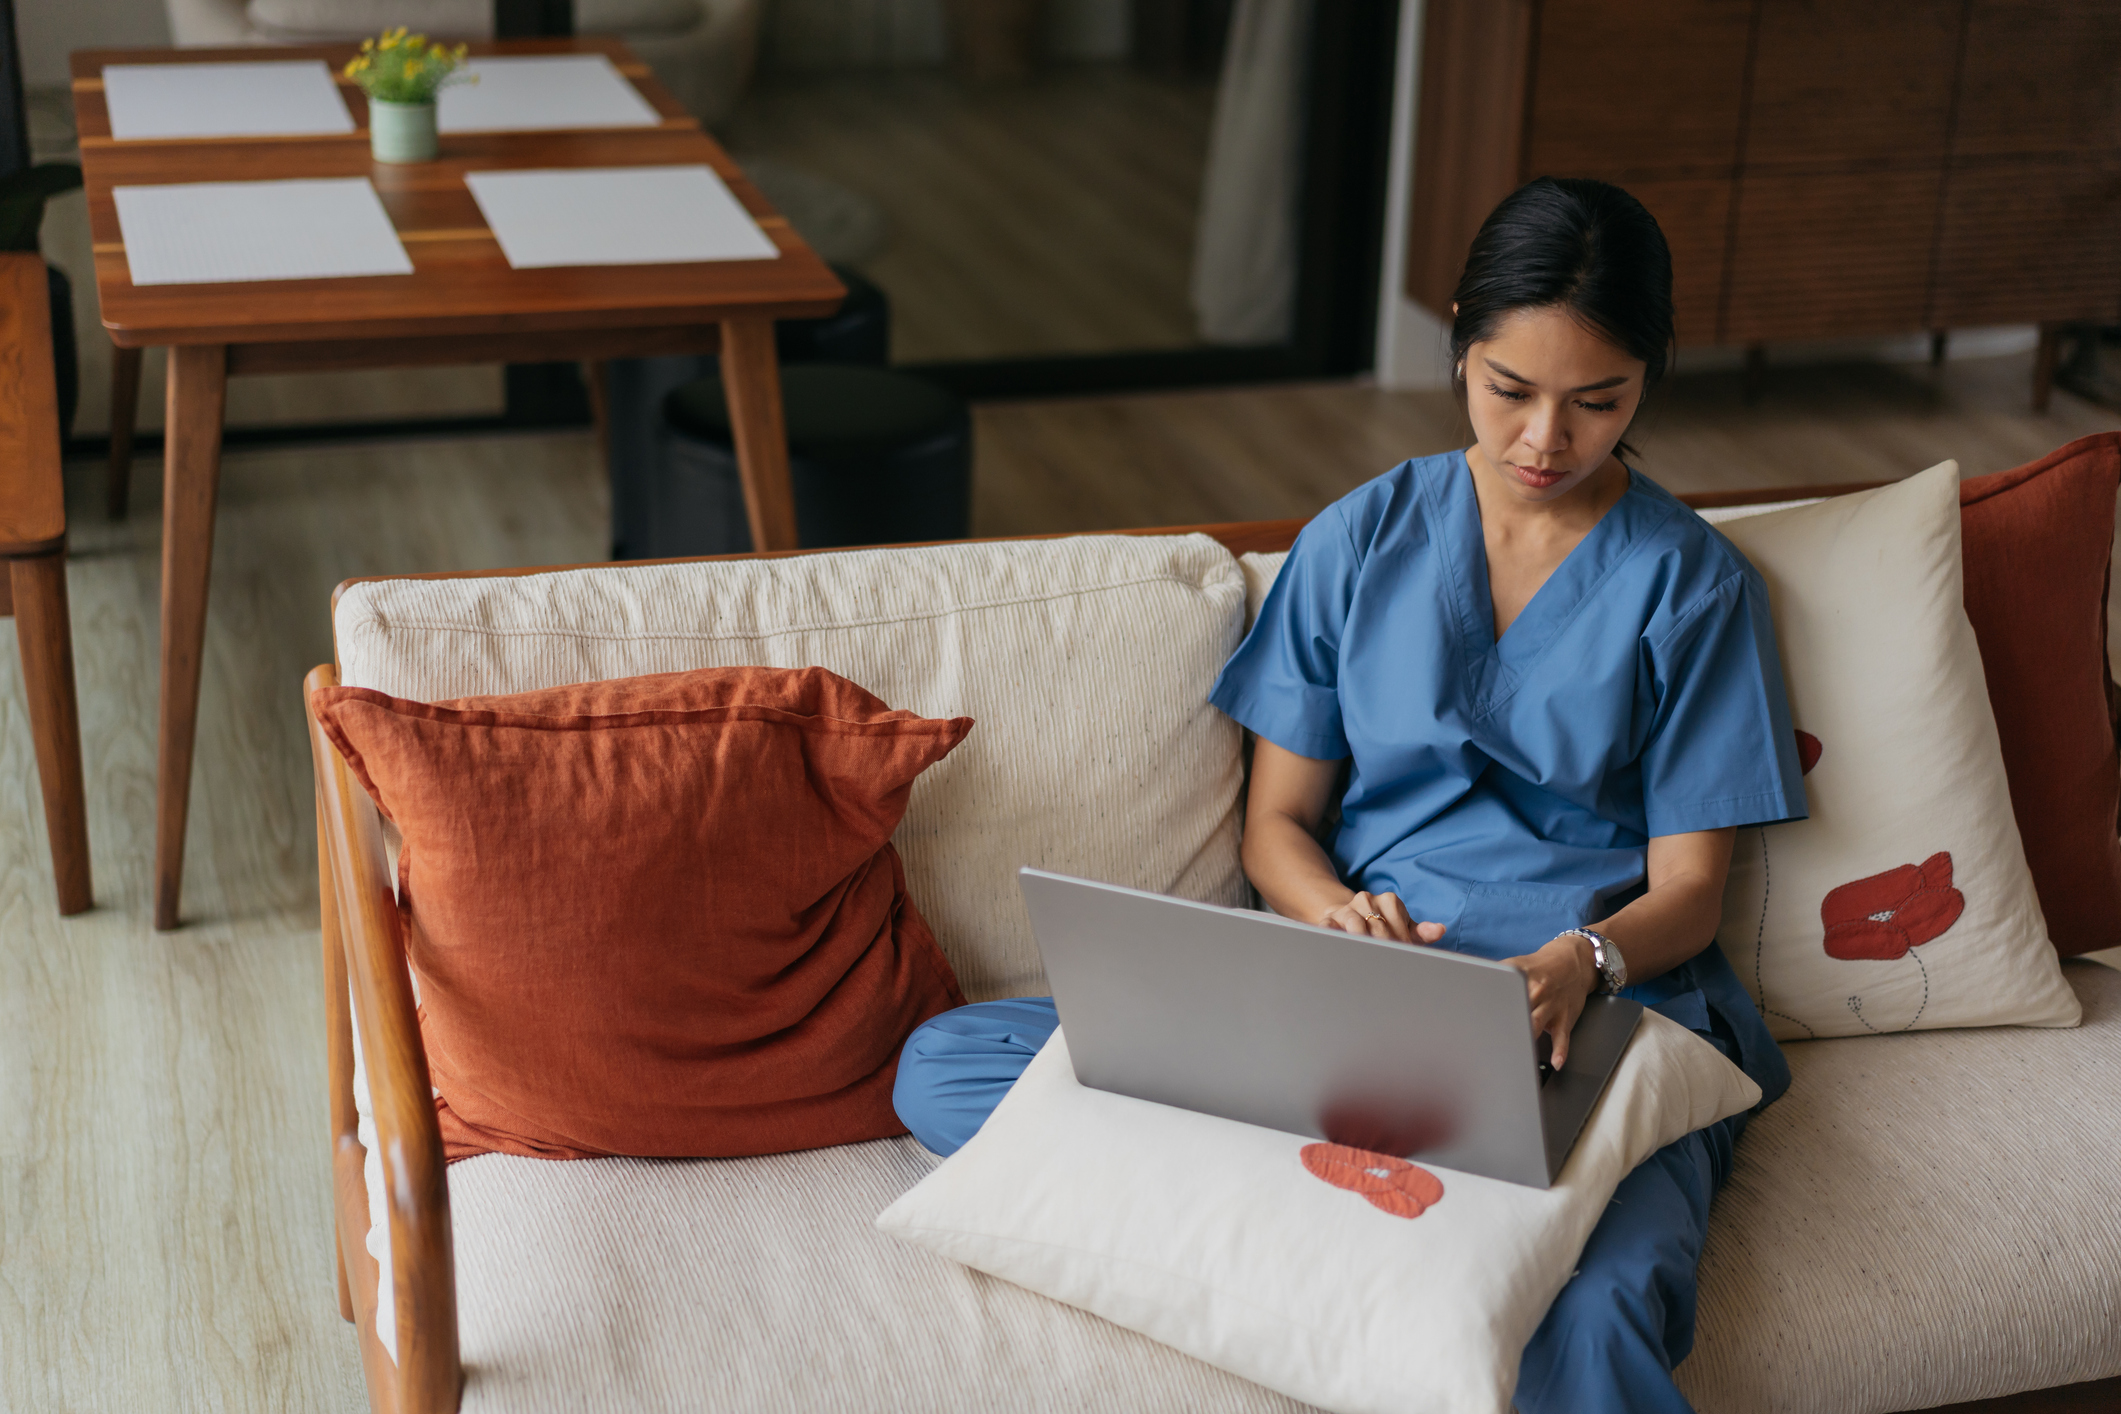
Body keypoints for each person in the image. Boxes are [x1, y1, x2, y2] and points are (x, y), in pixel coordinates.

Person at [891, 176, 1807, 1414]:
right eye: (1509, 391)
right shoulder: (1362, 540)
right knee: (946, 1065)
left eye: (1598, 403)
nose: (1546, 439)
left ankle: (1337, 1196)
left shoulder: (1693, 587)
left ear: (1649, 379)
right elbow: (1278, 829)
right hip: (1351, 1009)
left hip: (1586, 1013)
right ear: (1458, 343)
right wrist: (1330, 912)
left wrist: (1582, 959)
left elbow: (1692, 891)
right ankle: (1367, 1184)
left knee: (1593, 1314)